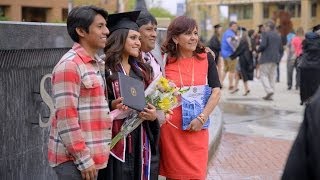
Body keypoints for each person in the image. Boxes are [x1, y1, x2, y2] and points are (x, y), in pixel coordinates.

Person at [47, 5, 111, 180]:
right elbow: (66, 118)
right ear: (81, 31)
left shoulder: (94, 63)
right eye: (100, 26)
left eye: (106, 25)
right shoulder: (70, 65)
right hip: (74, 161)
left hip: (92, 156)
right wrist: (83, 159)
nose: (106, 31)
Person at [97, 11, 159, 180]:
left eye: (139, 38)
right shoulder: (104, 69)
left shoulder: (144, 70)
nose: (138, 43)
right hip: (116, 143)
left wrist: (153, 116)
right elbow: (95, 104)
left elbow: (151, 106)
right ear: (120, 38)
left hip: (140, 139)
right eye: (133, 38)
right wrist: (112, 105)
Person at [159, 16, 221, 180]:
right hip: (172, 131)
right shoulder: (164, 60)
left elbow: (216, 91)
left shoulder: (206, 58)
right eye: (187, 33)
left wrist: (202, 118)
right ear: (175, 38)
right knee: (174, 176)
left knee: (197, 175)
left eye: (195, 33)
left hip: (197, 128)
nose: (193, 37)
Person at [257, 20, 283, 100]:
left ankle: (269, 91)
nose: (264, 28)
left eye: (265, 26)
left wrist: (258, 49)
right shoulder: (278, 35)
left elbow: (263, 45)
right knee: (272, 76)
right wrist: (279, 58)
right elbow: (281, 49)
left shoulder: (265, 34)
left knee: (263, 75)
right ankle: (271, 95)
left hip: (266, 58)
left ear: (268, 27)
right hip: (275, 59)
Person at [298, 26, 320, 105]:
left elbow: (302, 51)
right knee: (315, 84)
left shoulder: (305, 41)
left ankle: (303, 99)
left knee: (304, 83)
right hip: (316, 66)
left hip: (305, 65)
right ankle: (313, 100)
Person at [230, 27, 254, 96]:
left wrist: (232, 56)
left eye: (238, 32)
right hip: (245, 59)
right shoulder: (246, 39)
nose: (237, 33)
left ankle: (247, 88)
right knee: (237, 73)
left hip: (242, 60)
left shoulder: (243, 40)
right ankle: (235, 88)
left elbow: (239, 50)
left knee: (243, 74)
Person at [221, 21, 238, 90]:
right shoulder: (230, 34)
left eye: (236, 26)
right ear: (230, 26)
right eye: (234, 26)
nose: (235, 27)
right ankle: (231, 85)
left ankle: (220, 83)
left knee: (226, 69)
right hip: (230, 54)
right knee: (232, 70)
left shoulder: (226, 33)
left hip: (225, 54)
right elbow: (234, 45)